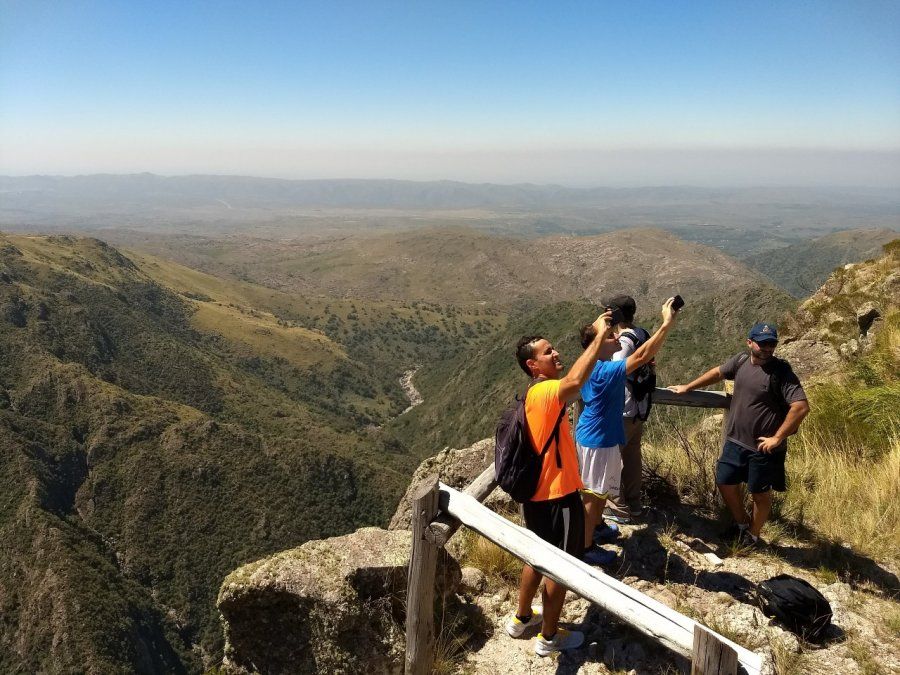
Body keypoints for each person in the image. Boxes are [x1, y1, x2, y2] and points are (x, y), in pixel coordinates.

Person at [505, 310, 612, 656]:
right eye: (547, 352)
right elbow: (576, 382)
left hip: (536, 496)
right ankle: (549, 638)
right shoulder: (547, 391)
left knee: (536, 557)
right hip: (558, 496)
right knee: (561, 566)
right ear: (532, 365)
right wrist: (599, 336)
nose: (556, 353)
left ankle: (522, 618)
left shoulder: (532, 394)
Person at [669, 323, 810, 546]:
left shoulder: (781, 372)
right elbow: (718, 372)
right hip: (735, 440)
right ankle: (742, 523)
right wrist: (689, 387)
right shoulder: (741, 361)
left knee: (760, 494)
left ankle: (752, 536)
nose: (767, 348)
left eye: (772, 343)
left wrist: (777, 438)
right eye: (762, 343)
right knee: (724, 481)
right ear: (750, 342)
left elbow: (801, 407)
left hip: (763, 447)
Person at [576, 298, 678, 566]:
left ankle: (597, 526)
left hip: (601, 436)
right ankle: (585, 548)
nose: (617, 338)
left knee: (600, 491)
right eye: (611, 336)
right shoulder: (605, 371)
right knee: (593, 494)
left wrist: (602, 323)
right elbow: (642, 356)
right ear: (599, 344)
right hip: (598, 440)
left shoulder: (590, 364)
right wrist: (667, 323)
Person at [605, 294, 653, 523]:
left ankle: (617, 507)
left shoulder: (624, 341)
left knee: (612, 458)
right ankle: (634, 504)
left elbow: (616, 370)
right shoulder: (641, 334)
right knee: (632, 456)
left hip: (622, 408)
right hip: (639, 407)